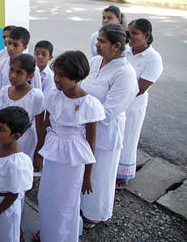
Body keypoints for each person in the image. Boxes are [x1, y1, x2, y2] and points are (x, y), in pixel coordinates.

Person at [34, 51, 105, 241]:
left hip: (73, 162)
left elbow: (91, 143)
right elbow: (46, 124)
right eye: (55, 74)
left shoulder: (88, 104)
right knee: (47, 198)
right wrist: (38, 153)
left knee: (66, 204)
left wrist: (88, 175)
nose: (56, 79)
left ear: (77, 76)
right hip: (53, 153)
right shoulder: (54, 96)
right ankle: (47, 233)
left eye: (62, 76)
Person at [80, 23, 138, 229]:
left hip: (104, 133)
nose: (96, 44)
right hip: (83, 128)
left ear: (116, 46)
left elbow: (109, 112)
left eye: (102, 41)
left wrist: (80, 108)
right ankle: (79, 207)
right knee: (83, 172)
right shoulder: (96, 61)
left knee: (100, 175)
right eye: (97, 40)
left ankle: (95, 214)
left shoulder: (125, 74)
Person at [116, 19, 163, 188]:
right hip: (118, 102)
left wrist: (118, 93)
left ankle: (123, 174)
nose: (130, 37)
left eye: (135, 34)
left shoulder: (153, 58)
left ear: (147, 35)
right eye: (128, 34)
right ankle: (111, 168)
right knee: (116, 135)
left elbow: (141, 88)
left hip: (134, 104)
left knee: (129, 137)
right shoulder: (125, 51)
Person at [0, 107, 33, 242]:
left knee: (7, 236)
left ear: (15, 136)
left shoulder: (16, 162)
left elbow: (14, 192)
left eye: (1, 129)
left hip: (5, 206)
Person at [0, 54, 45, 159]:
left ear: (30, 76)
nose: (13, 75)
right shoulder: (4, 91)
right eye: (11, 70)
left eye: (19, 72)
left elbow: (40, 127)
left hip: (25, 141)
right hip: (3, 139)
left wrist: (38, 153)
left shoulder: (36, 96)